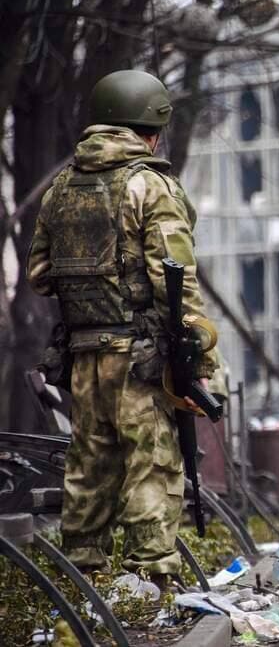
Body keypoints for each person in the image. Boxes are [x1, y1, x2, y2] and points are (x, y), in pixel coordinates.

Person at [27, 70, 220, 586]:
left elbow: (40, 276)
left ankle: (82, 578)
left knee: (89, 466)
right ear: (151, 128)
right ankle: (153, 581)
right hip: (141, 359)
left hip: (85, 356)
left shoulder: (62, 187)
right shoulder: (149, 184)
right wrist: (201, 360)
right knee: (152, 465)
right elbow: (175, 279)